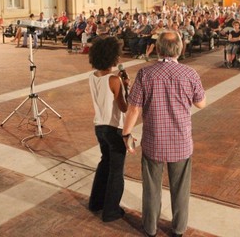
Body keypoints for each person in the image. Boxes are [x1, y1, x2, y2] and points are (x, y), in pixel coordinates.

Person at [122, 31, 206, 237]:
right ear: (180, 48)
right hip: (181, 142)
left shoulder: (145, 74)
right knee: (181, 190)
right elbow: (201, 103)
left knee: (151, 189)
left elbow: (134, 109)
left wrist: (126, 134)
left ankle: (150, 228)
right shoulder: (190, 74)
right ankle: (178, 229)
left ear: (158, 48)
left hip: (154, 141)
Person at [87, 36, 129, 222]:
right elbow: (124, 107)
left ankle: (96, 202)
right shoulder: (114, 79)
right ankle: (111, 211)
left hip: (99, 126)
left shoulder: (92, 76)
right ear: (112, 56)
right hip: (113, 128)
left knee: (105, 163)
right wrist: (127, 88)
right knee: (116, 171)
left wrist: (122, 85)